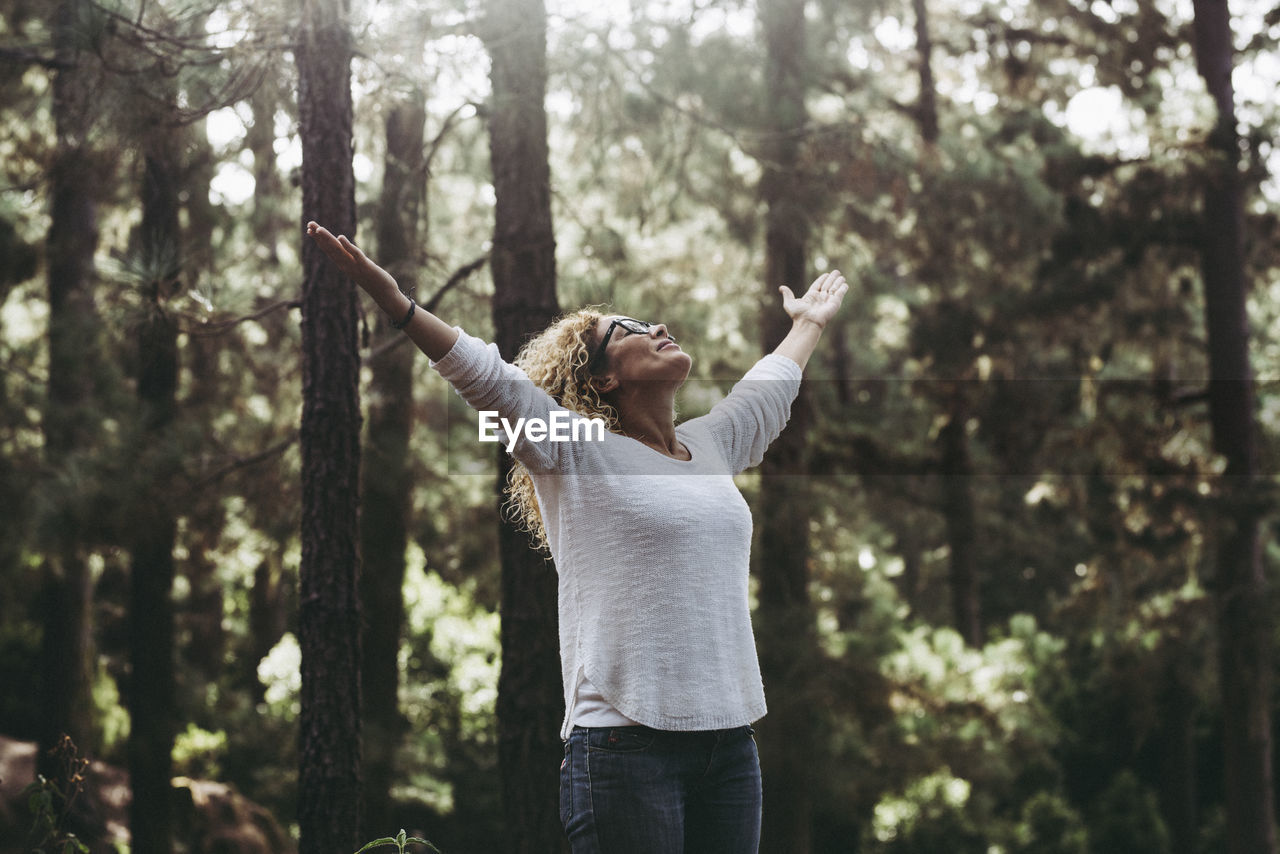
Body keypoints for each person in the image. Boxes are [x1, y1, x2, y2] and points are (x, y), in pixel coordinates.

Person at [306, 221, 847, 853]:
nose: (657, 328)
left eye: (649, 322)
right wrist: (399, 306)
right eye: (629, 331)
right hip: (624, 746)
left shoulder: (708, 445)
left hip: (729, 746)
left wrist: (808, 321)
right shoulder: (577, 448)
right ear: (603, 381)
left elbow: (766, 392)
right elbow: (491, 381)